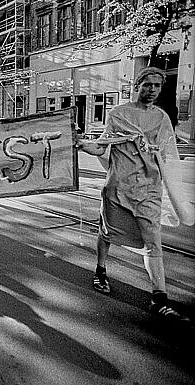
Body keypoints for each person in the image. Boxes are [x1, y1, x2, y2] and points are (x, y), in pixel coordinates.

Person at [77, 67, 190, 322]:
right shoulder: (119, 114)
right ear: (137, 85)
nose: (151, 90)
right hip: (118, 187)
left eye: (157, 86)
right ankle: (101, 270)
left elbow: (169, 155)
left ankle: (159, 299)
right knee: (107, 232)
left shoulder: (161, 118)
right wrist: (82, 145)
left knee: (153, 241)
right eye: (147, 85)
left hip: (149, 189)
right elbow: (102, 146)